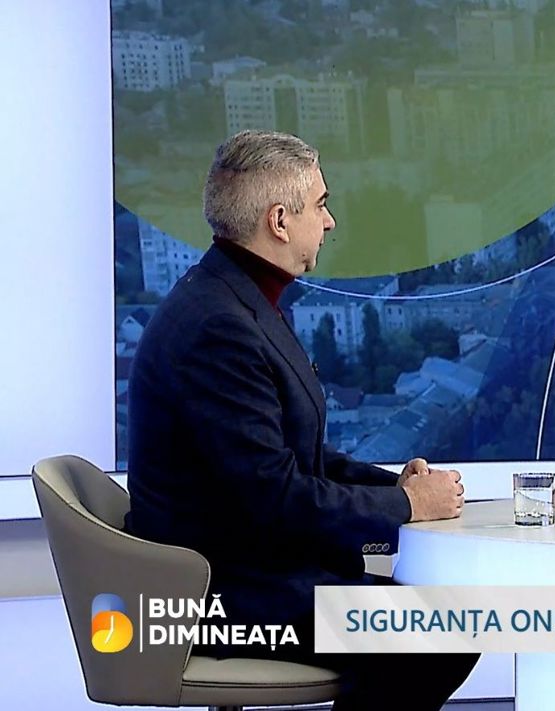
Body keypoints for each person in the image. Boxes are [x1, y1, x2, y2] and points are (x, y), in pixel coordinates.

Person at [126, 130, 477, 708]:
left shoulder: (235, 297)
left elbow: (295, 456)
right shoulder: (220, 328)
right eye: (320, 204)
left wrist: (398, 490)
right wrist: (406, 507)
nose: (329, 221)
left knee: (443, 618)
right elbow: (276, 497)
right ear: (280, 221)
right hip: (221, 603)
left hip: (252, 575)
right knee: (440, 632)